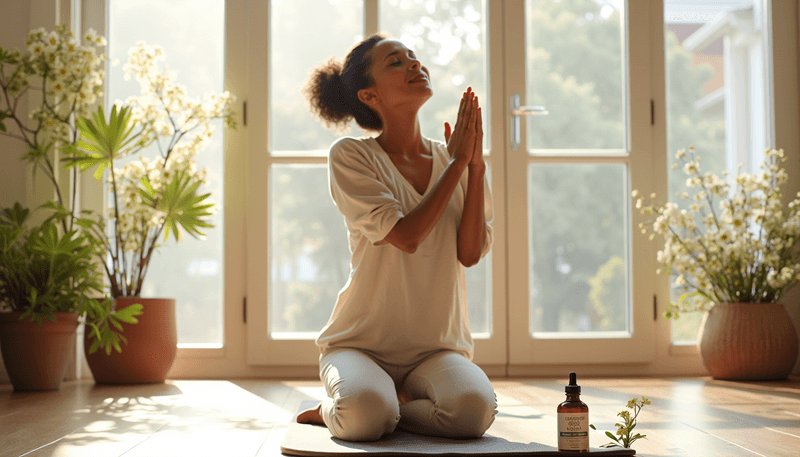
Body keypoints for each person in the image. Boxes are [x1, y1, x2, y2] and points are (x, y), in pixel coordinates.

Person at [297, 32, 497, 442]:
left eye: (414, 58)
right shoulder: (352, 156)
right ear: (369, 96)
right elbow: (406, 236)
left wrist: (475, 168)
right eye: (396, 62)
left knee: (473, 413)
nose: (414, 65)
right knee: (365, 417)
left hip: (437, 349)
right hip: (360, 345)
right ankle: (341, 408)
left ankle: (394, 408)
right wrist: (459, 163)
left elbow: (471, 253)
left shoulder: (453, 159)